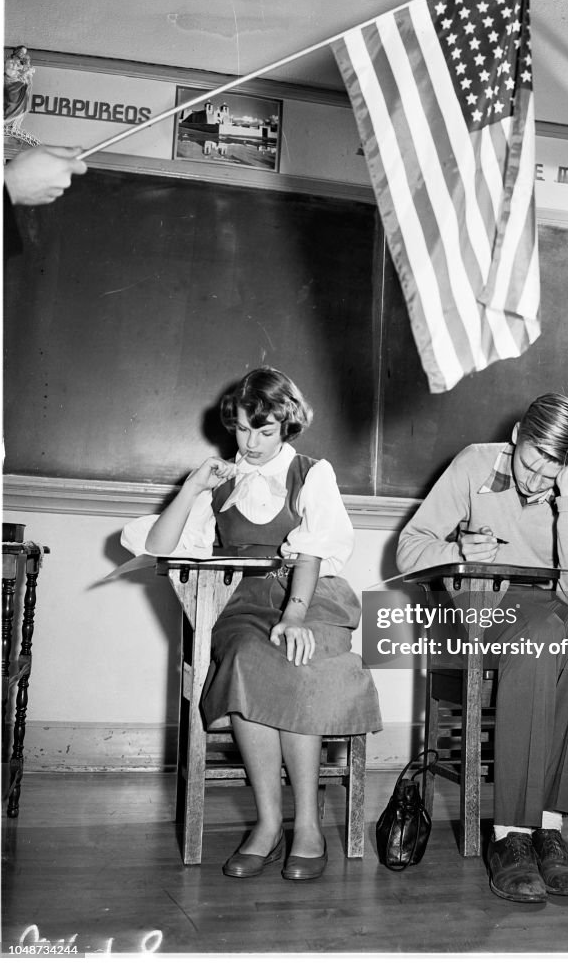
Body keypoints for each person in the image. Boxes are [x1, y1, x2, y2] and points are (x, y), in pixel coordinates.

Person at [121, 367, 381, 881]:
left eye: (264, 431)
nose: (252, 442)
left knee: (297, 659)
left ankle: (306, 824)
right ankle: (267, 824)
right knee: (245, 658)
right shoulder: (221, 482)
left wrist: (294, 615)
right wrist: (194, 486)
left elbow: (312, 551)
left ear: (287, 425)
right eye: (242, 429)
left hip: (310, 599)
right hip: (241, 604)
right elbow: (159, 546)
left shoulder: (313, 472)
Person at [396, 392, 568, 904]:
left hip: (556, 607)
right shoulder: (475, 462)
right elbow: (410, 548)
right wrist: (455, 549)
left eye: (554, 470)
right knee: (541, 636)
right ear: (518, 434)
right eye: (532, 462)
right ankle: (510, 835)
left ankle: (546, 825)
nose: (535, 480)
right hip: (486, 605)